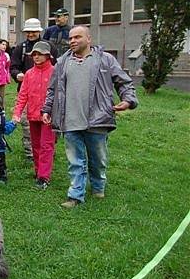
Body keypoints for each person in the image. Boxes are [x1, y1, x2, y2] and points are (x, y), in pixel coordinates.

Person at [42, 26, 138, 208]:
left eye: (77, 37)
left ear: (89, 39)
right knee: (75, 162)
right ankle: (75, 196)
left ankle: (98, 187)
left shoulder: (105, 60)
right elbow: (52, 89)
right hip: (69, 121)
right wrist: (47, 109)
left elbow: (124, 82)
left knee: (98, 159)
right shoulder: (62, 62)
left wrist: (128, 100)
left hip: (98, 119)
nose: (72, 41)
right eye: (70, 38)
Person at [10, 18, 57, 161]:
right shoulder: (21, 47)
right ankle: (30, 152)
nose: (30, 34)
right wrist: (17, 74)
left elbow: (57, 66)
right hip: (27, 90)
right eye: (28, 32)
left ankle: (47, 150)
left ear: (39, 31)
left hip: (48, 94)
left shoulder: (49, 46)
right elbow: (13, 66)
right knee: (27, 124)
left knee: (49, 124)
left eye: (33, 31)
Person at [12, 41, 56, 189]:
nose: (36, 57)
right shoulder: (29, 74)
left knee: (46, 145)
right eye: (34, 54)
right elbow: (22, 95)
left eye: (39, 54)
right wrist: (17, 113)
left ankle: (44, 176)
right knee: (36, 145)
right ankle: (38, 171)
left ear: (48, 55)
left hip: (49, 116)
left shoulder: (55, 72)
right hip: (33, 115)